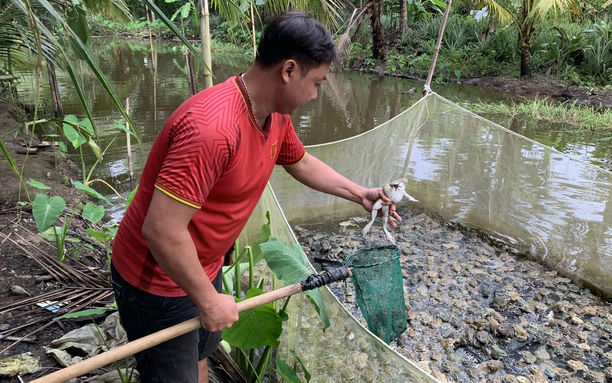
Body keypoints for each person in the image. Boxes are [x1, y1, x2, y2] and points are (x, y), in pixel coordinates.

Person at [110, 11, 402, 383]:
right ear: (289, 70)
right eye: (316, 83)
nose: (315, 95)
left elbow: (300, 161)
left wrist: (359, 193)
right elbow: (162, 231)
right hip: (158, 280)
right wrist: (210, 299)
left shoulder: (274, 114)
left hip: (202, 265)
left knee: (200, 356)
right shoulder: (212, 130)